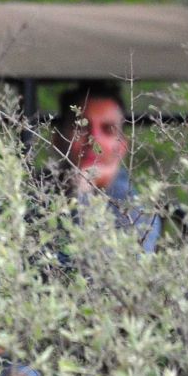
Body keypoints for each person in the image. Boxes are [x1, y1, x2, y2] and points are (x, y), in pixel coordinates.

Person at [50, 80, 160, 253]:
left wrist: (83, 190)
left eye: (108, 129)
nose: (94, 140)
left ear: (122, 146)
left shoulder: (135, 208)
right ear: (57, 140)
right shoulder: (32, 193)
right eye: (82, 128)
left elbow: (102, 266)